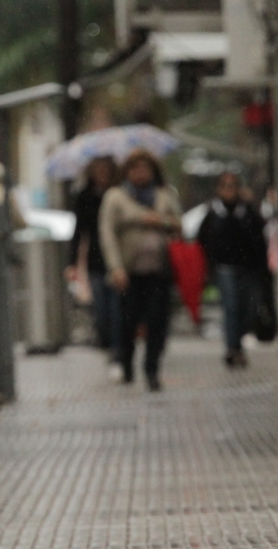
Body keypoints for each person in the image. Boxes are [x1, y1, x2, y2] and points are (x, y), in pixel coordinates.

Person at [98, 149, 181, 392]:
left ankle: (152, 369)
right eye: (135, 168)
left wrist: (161, 222)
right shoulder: (115, 197)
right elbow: (107, 234)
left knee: (157, 322)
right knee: (126, 322)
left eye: (145, 168)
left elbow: (178, 224)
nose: (140, 173)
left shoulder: (164, 195)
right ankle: (126, 364)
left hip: (158, 270)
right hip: (129, 271)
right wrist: (115, 268)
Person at [197, 172, 268, 368]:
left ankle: (238, 342)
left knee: (248, 309)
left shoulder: (248, 212)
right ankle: (232, 349)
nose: (229, 191)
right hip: (224, 269)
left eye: (232, 186)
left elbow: (260, 239)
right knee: (231, 308)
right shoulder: (213, 214)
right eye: (225, 186)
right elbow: (202, 242)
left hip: (248, 269)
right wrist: (210, 266)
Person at [65, 156, 119, 362]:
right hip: (96, 260)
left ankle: (118, 348)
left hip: (118, 259)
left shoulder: (119, 194)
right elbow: (79, 232)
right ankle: (106, 342)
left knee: (117, 308)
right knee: (101, 308)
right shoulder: (85, 196)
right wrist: (72, 263)